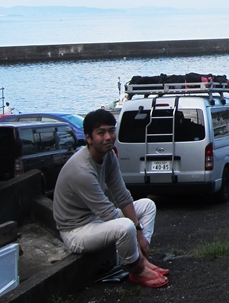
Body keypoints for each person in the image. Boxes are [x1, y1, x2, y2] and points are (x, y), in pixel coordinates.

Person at [53, 109, 169, 288]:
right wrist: (137, 234)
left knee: (147, 205)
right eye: (101, 133)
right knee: (125, 226)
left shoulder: (108, 156)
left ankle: (142, 260)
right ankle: (137, 268)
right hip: (76, 231)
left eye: (111, 130)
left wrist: (139, 232)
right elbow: (107, 212)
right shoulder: (81, 170)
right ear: (89, 138)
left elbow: (122, 195)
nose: (108, 137)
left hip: (96, 219)